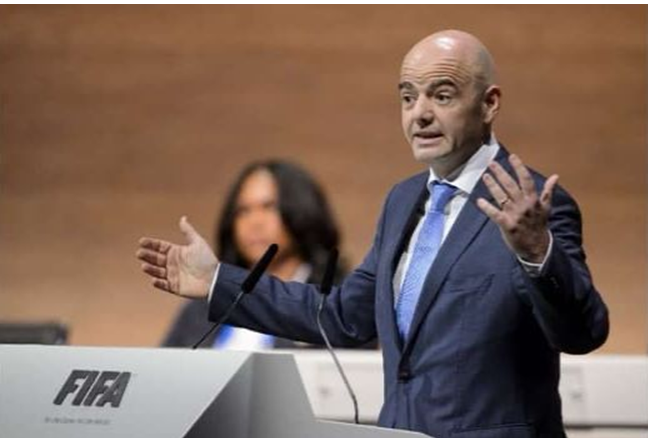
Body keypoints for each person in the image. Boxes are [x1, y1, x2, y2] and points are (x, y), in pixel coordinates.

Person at [137, 30, 609, 438]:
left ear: (490, 104)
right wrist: (219, 281)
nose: (420, 114)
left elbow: (584, 331)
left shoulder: (533, 208)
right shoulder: (402, 201)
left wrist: (537, 253)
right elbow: (342, 316)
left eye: (442, 95)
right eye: (408, 97)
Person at [162, 159, 347, 349]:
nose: (254, 222)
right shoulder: (204, 307)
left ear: (302, 210)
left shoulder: (337, 304)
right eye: (243, 210)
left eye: (269, 207)